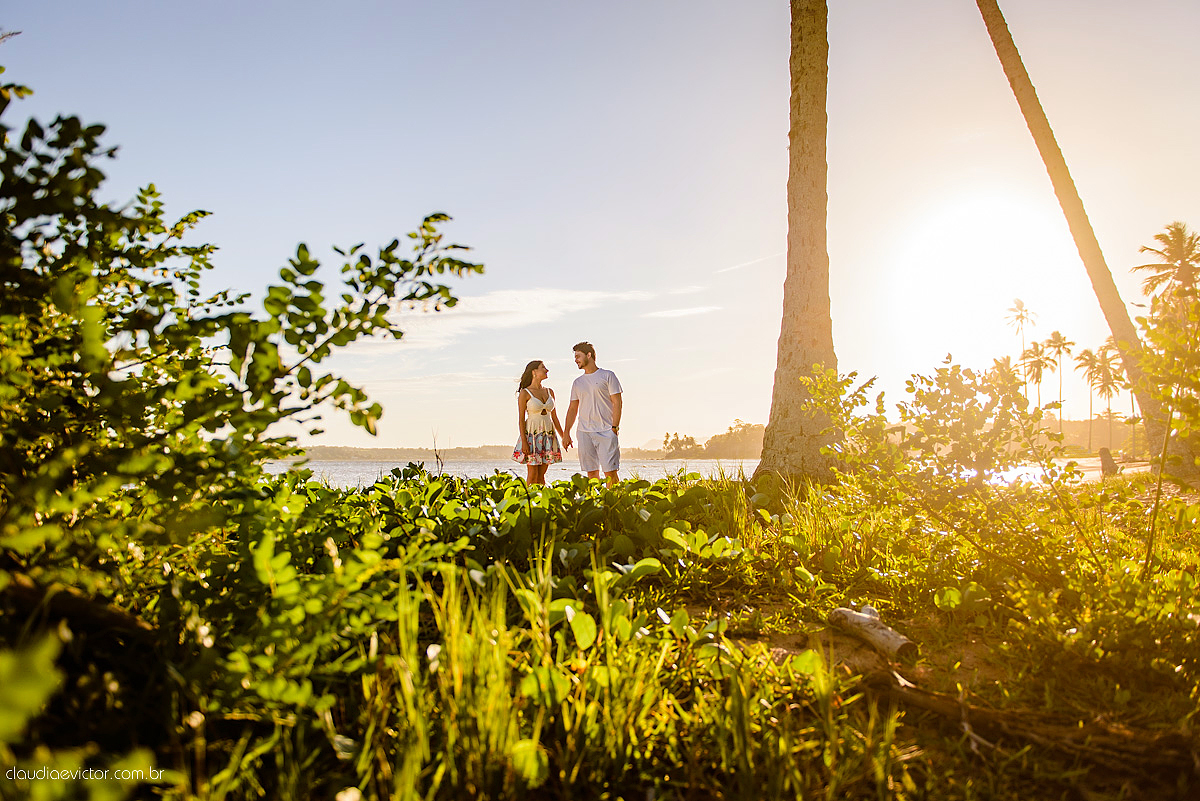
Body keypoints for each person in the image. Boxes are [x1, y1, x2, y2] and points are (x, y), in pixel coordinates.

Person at [562, 341, 623, 486]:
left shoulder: (608, 375)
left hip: (606, 430)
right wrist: (566, 433)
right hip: (584, 432)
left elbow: (617, 403)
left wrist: (614, 427)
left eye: (578, 356)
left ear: (589, 355)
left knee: (611, 474)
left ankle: (614, 504)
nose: (575, 360)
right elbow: (572, 409)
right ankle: (596, 505)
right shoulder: (577, 382)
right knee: (591, 474)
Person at [511, 360, 566, 484]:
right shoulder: (525, 393)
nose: (547, 370)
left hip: (548, 436)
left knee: (541, 475)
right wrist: (524, 442)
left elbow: (555, 418)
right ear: (534, 372)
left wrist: (564, 437)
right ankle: (528, 501)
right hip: (532, 436)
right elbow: (520, 420)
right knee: (532, 474)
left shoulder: (549, 391)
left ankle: (540, 501)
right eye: (543, 367)